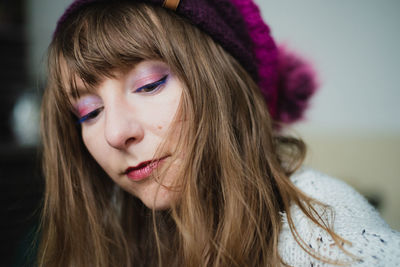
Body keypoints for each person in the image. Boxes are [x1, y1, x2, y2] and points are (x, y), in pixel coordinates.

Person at [38, 0, 400, 266]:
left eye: (149, 85)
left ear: (224, 85)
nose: (115, 133)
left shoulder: (323, 228)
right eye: (89, 112)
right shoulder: (110, 226)